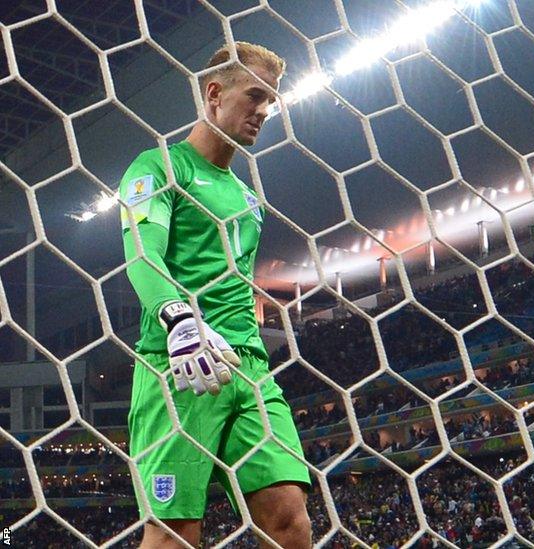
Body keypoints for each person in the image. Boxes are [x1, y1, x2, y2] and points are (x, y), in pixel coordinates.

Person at [120, 41, 311, 548]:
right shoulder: (158, 167)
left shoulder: (249, 200)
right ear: (213, 93)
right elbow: (143, 255)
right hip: (178, 365)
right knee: (174, 536)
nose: (265, 111)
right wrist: (180, 320)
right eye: (255, 96)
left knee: (291, 523)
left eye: (272, 100)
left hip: (247, 369)